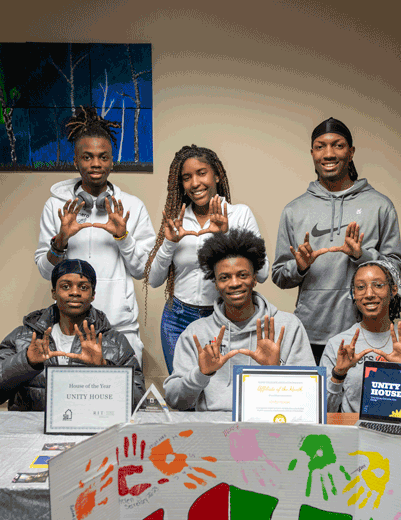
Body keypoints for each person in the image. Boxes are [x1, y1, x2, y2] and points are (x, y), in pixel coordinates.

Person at [272, 117, 401, 364]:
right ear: (312, 153)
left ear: (351, 152)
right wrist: (300, 266)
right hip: (308, 335)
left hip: (365, 333)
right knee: (316, 402)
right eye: (321, 146)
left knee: (359, 403)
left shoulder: (379, 205)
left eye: (338, 145)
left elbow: (396, 270)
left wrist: (361, 255)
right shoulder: (294, 210)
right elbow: (279, 276)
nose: (329, 153)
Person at [35, 107, 156, 365]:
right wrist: (60, 241)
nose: (96, 164)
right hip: (70, 328)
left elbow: (142, 271)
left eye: (103, 157)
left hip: (120, 326)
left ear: (112, 161)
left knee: (124, 398)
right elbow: (46, 273)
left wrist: (123, 236)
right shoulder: (56, 207)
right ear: (76, 161)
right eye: (87, 157)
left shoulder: (132, 206)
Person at [145, 144, 269, 373]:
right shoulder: (177, 220)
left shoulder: (239, 214)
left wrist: (226, 234)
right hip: (177, 319)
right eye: (186, 177)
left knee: (217, 391)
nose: (194, 183)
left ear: (217, 175)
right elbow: (153, 280)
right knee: (184, 391)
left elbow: (262, 274)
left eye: (202, 173)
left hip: (222, 317)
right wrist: (169, 242)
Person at [164, 229, 314, 411]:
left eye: (242, 275)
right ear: (216, 283)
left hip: (268, 426)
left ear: (254, 278)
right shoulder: (196, 333)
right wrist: (201, 374)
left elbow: (309, 398)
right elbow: (175, 401)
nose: (234, 283)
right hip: (213, 430)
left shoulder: (287, 326)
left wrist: (275, 370)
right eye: (224, 277)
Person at [0, 260, 145, 411]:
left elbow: (139, 402)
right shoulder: (23, 337)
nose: (75, 292)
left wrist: (104, 369)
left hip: (91, 430)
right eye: (65, 286)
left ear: (93, 295)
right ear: (54, 292)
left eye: (83, 287)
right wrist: (27, 362)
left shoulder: (116, 343)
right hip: (31, 431)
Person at [320, 260, 401, 412]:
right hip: (354, 433)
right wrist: (338, 375)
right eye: (360, 287)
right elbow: (324, 412)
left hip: (398, 434)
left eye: (378, 285)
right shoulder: (338, 345)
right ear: (353, 294)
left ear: (393, 290)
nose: (369, 294)